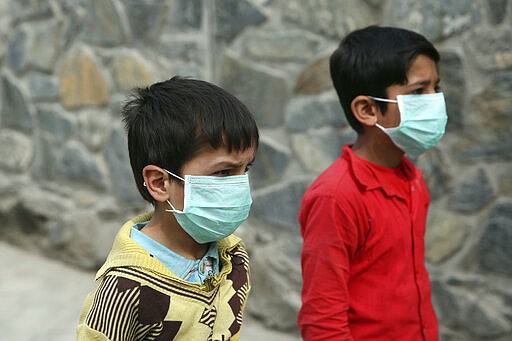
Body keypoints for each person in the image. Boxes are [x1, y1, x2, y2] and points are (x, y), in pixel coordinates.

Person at [77, 76, 259, 340]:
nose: (240, 185)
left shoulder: (233, 257)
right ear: (160, 183)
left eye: (245, 169)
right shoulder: (123, 291)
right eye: (223, 172)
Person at [298, 25, 447, 340]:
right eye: (418, 92)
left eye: (436, 87)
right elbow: (322, 322)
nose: (435, 100)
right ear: (367, 109)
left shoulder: (412, 177)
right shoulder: (336, 196)